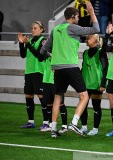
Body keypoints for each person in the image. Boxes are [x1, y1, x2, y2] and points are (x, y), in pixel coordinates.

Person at [40, 1, 100, 138]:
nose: (78, 19)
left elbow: (44, 50)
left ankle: (53, 129)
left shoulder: (55, 30)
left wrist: (55, 57)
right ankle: (74, 122)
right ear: (72, 17)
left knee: (57, 98)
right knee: (84, 96)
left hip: (58, 69)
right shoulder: (72, 28)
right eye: (77, 17)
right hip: (71, 67)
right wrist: (91, 12)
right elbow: (96, 29)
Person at [18, 21, 49, 131]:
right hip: (29, 72)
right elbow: (23, 55)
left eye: (35, 28)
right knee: (29, 96)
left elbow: (39, 56)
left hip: (39, 72)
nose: (32, 30)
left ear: (41, 29)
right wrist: (21, 43)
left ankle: (46, 122)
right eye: (32, 28)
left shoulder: (43, 41)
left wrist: (28, 44)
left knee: (41, 97)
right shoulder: (29, 41)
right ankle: (30, 121)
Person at [80, 34, 108, 136]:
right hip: (85, 83)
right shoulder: (85, 52)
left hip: (96, 83)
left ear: (96, 40)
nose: (87, 39)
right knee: (83, 106)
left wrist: (103, 83)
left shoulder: (101, 52)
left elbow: (105, 68)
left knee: (96, 106)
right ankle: (84, 127)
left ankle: (95, 129)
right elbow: (83, 67)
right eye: (86, 38)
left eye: (89, 38)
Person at [38, 48, 68, 134]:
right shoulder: (46, 54)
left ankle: (64, 126)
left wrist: (47, 53)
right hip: (46, 80)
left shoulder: (59, 52)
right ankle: (51, 125)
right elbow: (39, 57)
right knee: (49, 104)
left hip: (56, 80)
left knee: (60, 103)